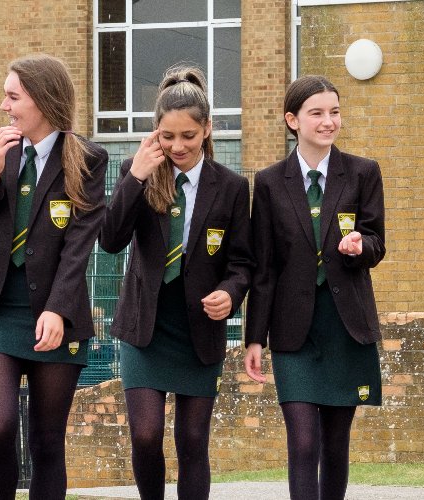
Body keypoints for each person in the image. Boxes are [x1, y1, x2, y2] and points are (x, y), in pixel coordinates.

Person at [0, 54, 108, 500]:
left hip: (58, 314)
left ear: (41, 100)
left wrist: (58, 308)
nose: (4, 105)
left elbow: (79, 245)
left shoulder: (88, 158)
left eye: (12, 95)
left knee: (46, 442)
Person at [97, 65, 252, 500]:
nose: (177, 146)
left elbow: (242, 263)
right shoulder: (137, 171)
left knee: (192, 442)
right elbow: (110, 241)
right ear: (155, 133)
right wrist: (136, 177)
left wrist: (232, 293)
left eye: (188, 136)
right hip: (144, 327)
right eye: (168, 136)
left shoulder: (232, 187)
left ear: (207, 129)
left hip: (198, 330)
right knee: (145, 434)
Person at [245, 75, 387, 500]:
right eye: (318, 113)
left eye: (335, 112)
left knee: (335, 444)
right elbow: (263, 267)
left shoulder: (363, 172)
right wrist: (255, 337)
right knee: (303, 443)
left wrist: (361, 246)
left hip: (346, 328)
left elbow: (377, 243)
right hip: (294, 332)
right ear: (293, 120)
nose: (329, 122)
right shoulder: (269, 182)